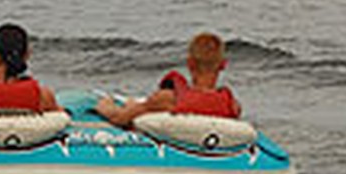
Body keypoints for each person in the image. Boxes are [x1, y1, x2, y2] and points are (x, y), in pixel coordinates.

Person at [95, 32, 242, 127]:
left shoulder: (168, 99)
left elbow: (119, 118)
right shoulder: (232, 106)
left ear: (189, 63)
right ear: (223, 65)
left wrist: (105, 105)